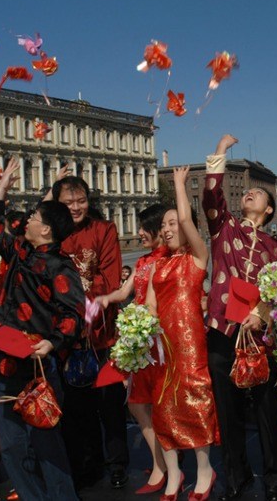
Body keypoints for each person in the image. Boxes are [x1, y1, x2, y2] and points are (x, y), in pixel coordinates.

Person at [0, 158, 85, 501]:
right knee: (11, 445)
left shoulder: (59, 266)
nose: (28, 220)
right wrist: (3, 186)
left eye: (35, 218)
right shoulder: (19, 251)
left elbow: (73, 314)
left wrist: (52, 344)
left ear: (47, 230)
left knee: (45, 443)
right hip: (5, 358)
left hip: (37, 365)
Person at [202, 135, 277, 501]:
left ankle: (274, 475)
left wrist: (261, 315)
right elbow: (211, 198)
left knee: (268, 411)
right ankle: (236, 474)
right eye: (246, 193)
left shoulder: (276, 248)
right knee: (228, 409)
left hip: (259, 335)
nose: (249, 194)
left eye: (258, 194)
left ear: (269, 210)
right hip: (222, 330)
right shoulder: (224, 228)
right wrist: (220, 152)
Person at [47, 173, 128, 490]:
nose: (76, 207)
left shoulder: (103, 229)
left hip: (100, 333)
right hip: (66, 336)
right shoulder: (52, 234)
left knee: (110, 403)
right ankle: (86, 465)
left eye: (81, 200)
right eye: (68, 202)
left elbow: (109, 279)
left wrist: (77, 293)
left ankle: (118, 463)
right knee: (75, 408)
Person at [145, 167, 218, 501]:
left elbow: (189, 223)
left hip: (189, 343)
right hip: (162, 346)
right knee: (163, 407)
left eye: (172, 224)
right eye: (164, 226)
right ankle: (174, 473)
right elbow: (149, 306)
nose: (168, 229)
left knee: (195, 401)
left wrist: (178, 185)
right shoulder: (157, 266)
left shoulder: (197, 258)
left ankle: (205, 469)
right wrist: (142, 335)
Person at [96, 203, 171, 494]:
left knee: (157, 404)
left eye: (144, 228)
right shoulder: (142, 262)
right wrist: (105, 299)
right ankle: (160, 462)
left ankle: (165, 465)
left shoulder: (169, 260)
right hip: (138, 340)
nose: (139, 233)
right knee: (138, 403)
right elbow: (126, 291)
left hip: (158, 340)